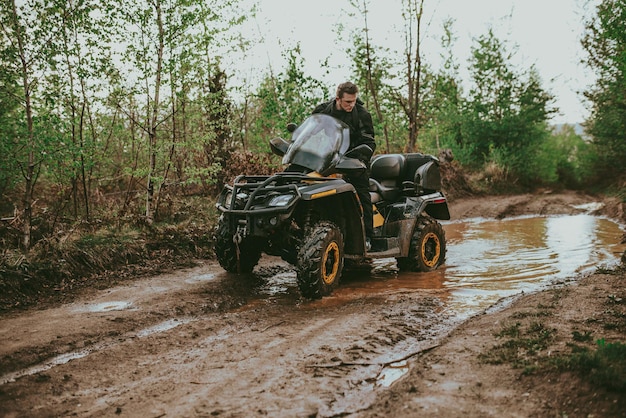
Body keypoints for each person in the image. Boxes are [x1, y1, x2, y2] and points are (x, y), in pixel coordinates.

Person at [312, 81, 376, 250]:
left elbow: (369, 142)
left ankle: (368, 237)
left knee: (362, 194)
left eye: (354, 100)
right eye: (348, 102)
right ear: (338, 98)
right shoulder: (323, 111)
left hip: (355, 160)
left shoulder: (362, 114)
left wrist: (358, 157)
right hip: (329, 158)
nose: (351, 105)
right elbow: (310, 131)